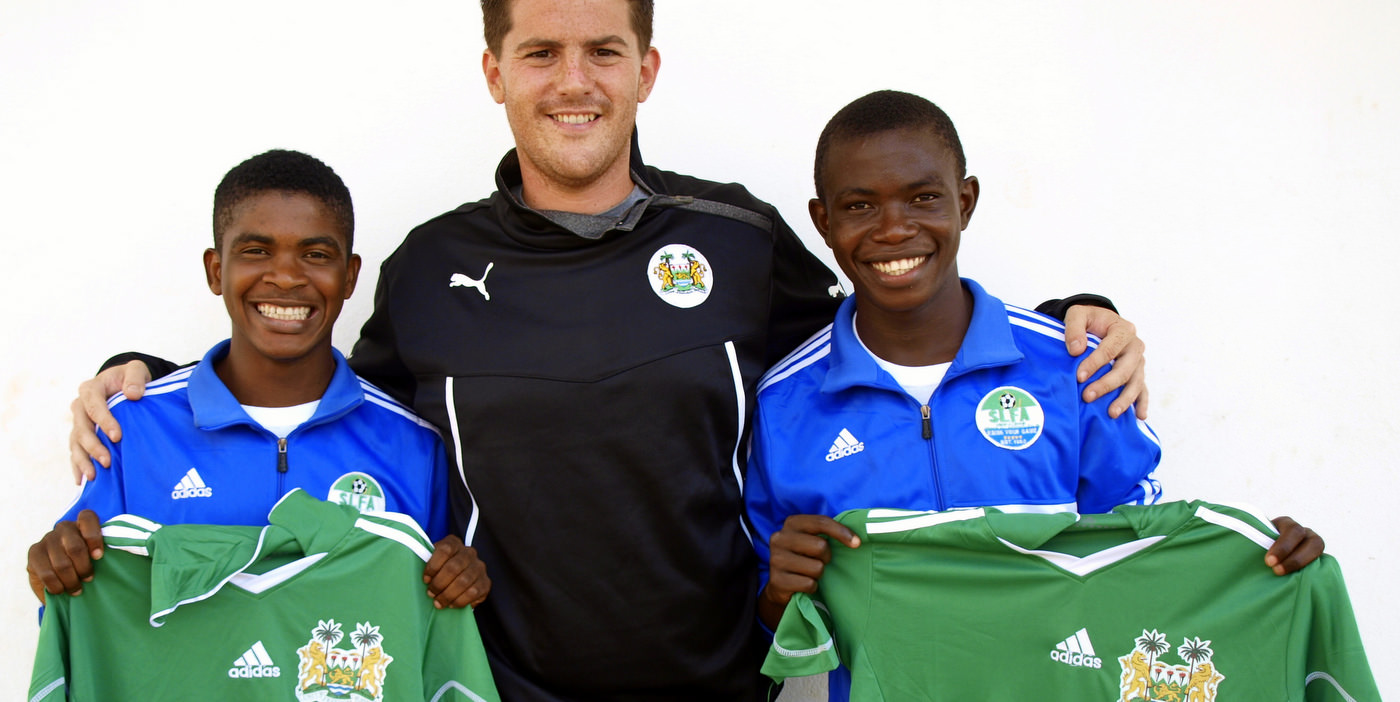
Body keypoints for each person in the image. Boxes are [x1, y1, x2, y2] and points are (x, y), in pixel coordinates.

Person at [63, 3, 1153, 699]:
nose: (572, 81)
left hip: (727, 686)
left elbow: (881, 325)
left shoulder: (732, 237)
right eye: (540, 52)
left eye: (602, 51)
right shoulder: (427, 268)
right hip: (503, 687)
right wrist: (145, 380)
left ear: (646, 68)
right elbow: (324, 408)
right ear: (494, 71)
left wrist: (1068, 320)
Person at [744, 90, 1324, 701]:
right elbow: (760, 617)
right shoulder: (783, 405)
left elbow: (1143, 550)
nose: (894, 228)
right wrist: (778, 595)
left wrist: (1253, 557)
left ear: (965, 202)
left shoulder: (1079, 369)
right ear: (823, 221)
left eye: (923, 198)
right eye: (861, 205)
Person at [29, 150, 489, 612]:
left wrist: (458, 579)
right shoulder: (129, 432)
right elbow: (83, 603)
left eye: (315, 254)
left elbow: (430, 613)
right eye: (256, 251)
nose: (286, 277)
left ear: (349, 276)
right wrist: (56, 567)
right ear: (216, 270)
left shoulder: (414, 445)